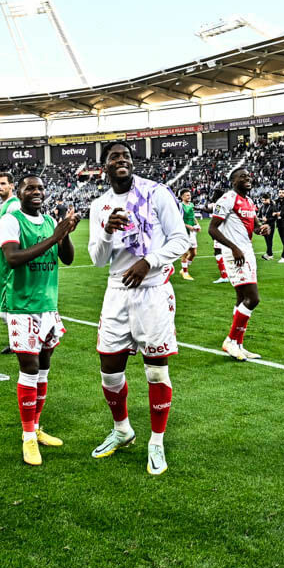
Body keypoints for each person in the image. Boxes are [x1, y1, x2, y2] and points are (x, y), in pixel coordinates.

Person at [87, 141, 188, 476]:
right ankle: (122, 430)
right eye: (114, 157)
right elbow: (97, 259)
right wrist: (106, 231)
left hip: (153, 290)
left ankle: (156, 441)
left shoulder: (156, 193)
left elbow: (181, 239)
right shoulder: (100, 206)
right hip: (117, 292)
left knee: (156, 371)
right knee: (109, 370)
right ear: (104, 166)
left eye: (126, 156)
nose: (122, 160)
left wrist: (150, 261)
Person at [0, 175, 79, 465]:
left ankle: (36, 426)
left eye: (40, 188)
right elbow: (13, 258)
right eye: (30, 188)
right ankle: (28, 436)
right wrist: (54, 237)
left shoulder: (48, 221)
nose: (36, 192)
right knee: (29, 368)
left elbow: (67, 259)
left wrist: (65, 234)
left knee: (44, 367)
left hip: (48, 305)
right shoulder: (11, 220)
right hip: (22, 305)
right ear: (19, 192)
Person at [209, 168, 271, 360]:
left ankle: (238, 344)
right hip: (235, 253)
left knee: (242, 298)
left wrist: (262, 228)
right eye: (242, 176)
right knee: (253, 298)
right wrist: (233, 247)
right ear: (233, 181)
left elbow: (255, 224)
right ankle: (230, 341)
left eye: (249, 176)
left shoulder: (249, 201)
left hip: (247, 251)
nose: (247, 178)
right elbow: (212, 229)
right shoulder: (228, 199)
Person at [0, 172, 23, 354]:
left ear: (11, 186)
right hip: (3, 262)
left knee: (6, 305)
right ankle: (16, 340)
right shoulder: (6, 205)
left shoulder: (14, 206)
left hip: (10, 263)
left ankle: (19, 341)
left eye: (3, 183)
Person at [178, 189, 200, 280]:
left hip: (192, 231)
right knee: (185, 252)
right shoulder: (180, 206)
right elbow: (178, 219)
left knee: (193, 253)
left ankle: (184, 269)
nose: (189, 196)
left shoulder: (191, 204)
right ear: (182, 197)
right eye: (187, 195)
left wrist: (197, 224)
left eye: (189, 195)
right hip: (184, 231)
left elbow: (193, 216)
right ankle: (185, 273)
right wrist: (187, 226)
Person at [258, 194, 276, 260]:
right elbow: (259, 215)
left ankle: (270, 254)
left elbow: (275, 218)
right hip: (264, 225)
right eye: (262, 200)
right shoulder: (262, 206)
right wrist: (260, 219)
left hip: (270, 225)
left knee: (269, 240)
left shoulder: (273, 206)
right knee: (266, 240)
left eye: (264, 200)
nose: (263, 201)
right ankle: (269, 253)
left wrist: (267, 220)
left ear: (268, 199)